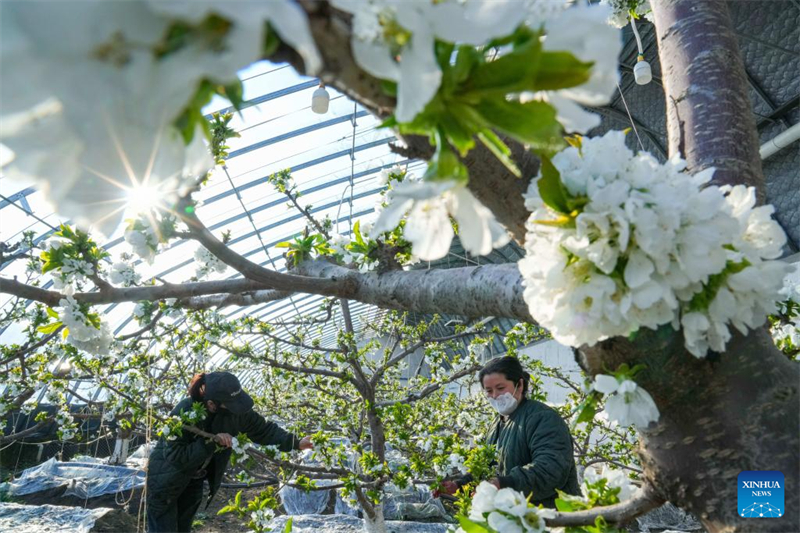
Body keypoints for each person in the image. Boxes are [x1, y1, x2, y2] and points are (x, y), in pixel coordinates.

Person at [146, 371, 313, 532]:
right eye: (231, 405)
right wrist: (211, 442)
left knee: (183, 528)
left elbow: (263, 429)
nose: (237, 408)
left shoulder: (235, 413)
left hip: (194, 479)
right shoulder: (186, 412)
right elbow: (175, 456)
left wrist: (296, 442)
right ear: (212, 404)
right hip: (165, 482)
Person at [440, 356, 580, 508]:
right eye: (489, 391)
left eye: (500, 388)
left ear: (519, 385)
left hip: (556, 514)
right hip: (518, 514)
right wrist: (459, 485)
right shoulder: (497, 424)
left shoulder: (542, 418)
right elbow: (488, 468)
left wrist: (506, 483)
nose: (495, 395)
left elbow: (551, 469)